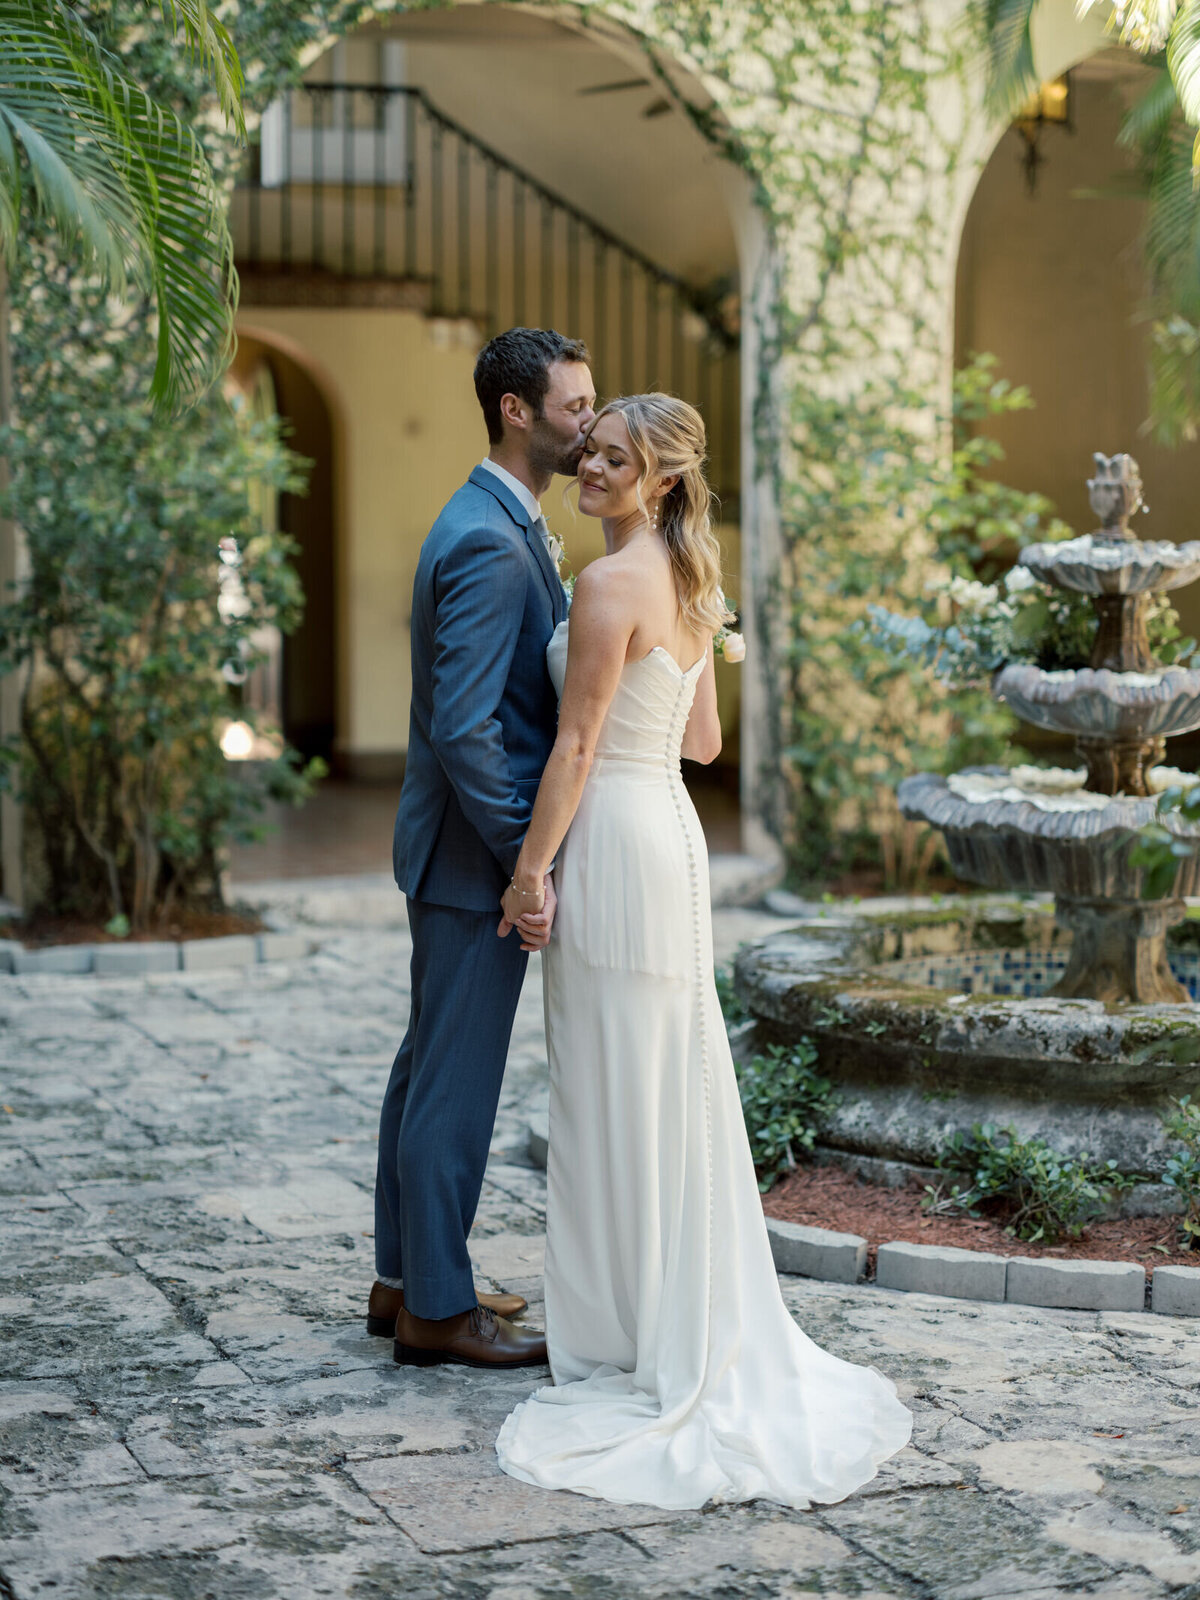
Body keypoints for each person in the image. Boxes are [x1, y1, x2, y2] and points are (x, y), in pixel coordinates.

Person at [494, 393, 912, 1509]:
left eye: (612, 461)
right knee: (667, 1086)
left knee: (611, 1091)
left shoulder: (604, 584)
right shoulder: (690, 583)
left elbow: (579, 741)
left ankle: (624, 1341)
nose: (588, 471)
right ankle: (670, 1318)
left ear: (662, 479)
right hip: (669, 835)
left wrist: (533, 871)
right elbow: (705, 740)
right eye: (588, 454)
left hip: (616, 841)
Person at [372, 327, 596, 1370]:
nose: (588, 424)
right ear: (517, 410)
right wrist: (526, 861)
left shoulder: (500, 520)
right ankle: (436, 1311)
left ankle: (404, 1277)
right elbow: (466, 727)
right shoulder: (487, 539)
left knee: (427, 1069)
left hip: (453, 857)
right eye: (574, 406)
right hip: (474, 865)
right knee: (453, 1086)